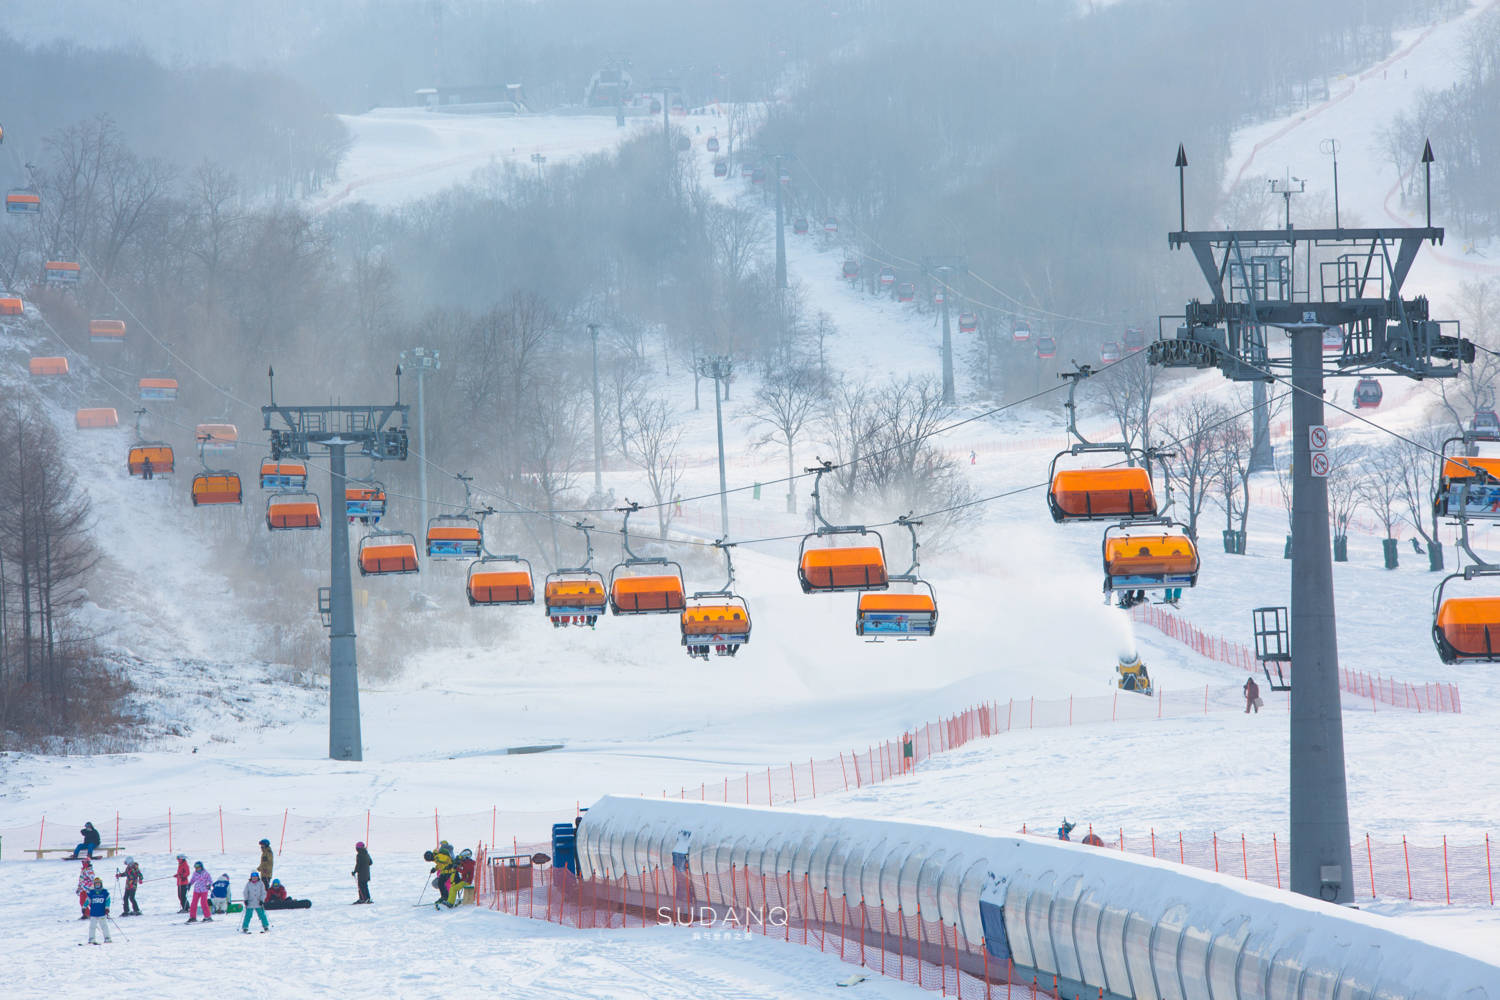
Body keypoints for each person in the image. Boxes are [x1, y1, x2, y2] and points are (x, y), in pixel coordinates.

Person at [85, 877, 112, 945]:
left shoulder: (104, 892)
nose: (97, 885)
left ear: (101, 884)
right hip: (93, 913)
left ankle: (107, 938)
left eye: (98, 884)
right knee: (92, 927)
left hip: (102, 913)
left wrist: (107, 908)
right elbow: (88, 900)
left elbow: (108, 900)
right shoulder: (92, 892)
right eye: (96, 884)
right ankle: (91, 939)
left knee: (104, 926)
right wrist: (84, 907)